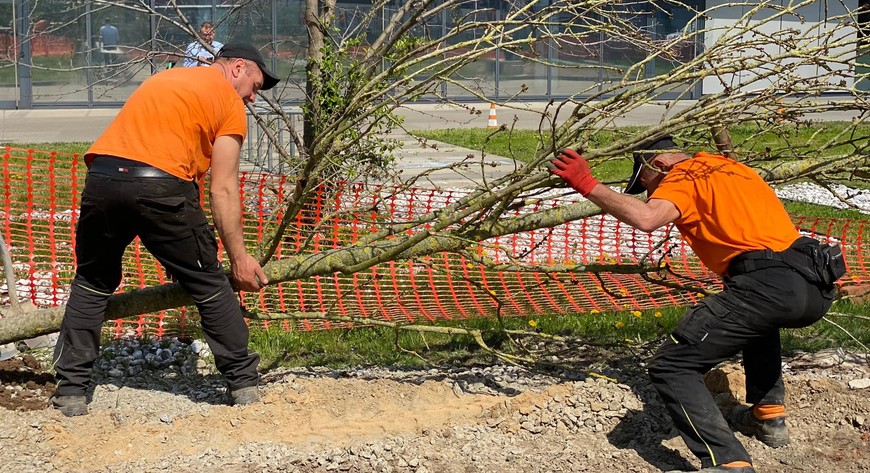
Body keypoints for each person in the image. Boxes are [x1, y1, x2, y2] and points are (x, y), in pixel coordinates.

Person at [549, 137, 838, 473]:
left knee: (671, 366)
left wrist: (587, 183)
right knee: (758, 320)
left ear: (657, 164)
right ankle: (768, 415)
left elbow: (647, 218)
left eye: (647, 184)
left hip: (767, 284)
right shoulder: (735, 169)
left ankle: (728, 461)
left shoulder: (683, 176)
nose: (654, 193)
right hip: (813, 284)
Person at [51, 43, 280, 417]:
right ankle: (243, 383)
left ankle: (72, 391)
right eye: (256, 84)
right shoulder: (228, 103)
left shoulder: (166, 78)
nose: (254, 97)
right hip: (160, 186)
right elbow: (221, 188)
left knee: (92, 281)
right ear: (237, 67)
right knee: (210, 285)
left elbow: (147, 148)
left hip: (103, 180)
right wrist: (239, 259)